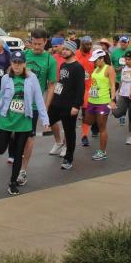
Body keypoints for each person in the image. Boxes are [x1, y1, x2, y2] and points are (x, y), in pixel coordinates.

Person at [0, 52, 49, 194]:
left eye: (19, 62)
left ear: (24, 64)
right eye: (14, 62)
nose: (16, 65)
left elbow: (39, 99)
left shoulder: (32, 78)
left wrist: (45, 118)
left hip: (24, 121)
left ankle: (12, 182)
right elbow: (1, 100)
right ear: (11, 63)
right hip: (6, 119)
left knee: (18, 154)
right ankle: (11, 138)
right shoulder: (6, 78)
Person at [18, 29, 57, 185]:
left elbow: (51, 85)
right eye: (34, 43)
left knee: (29, 137)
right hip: (17, 102)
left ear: (45, 42)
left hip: (33, 105)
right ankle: (15, 156)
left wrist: (45, 108)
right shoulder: (24, 55)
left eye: (40, 44)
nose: (36, 47)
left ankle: (23, 170)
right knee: (13, 134)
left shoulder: (50, 60)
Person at [47, 40, 85, 170]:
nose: (64, 51)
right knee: (47, 121)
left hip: (69, 106)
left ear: (73, 52)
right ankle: (58, 142)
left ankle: (68, 158)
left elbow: (81, 88)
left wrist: (76, 106)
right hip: (57, 103)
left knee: (69, 133)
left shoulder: (78, 67)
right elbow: (60, 84)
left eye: (67, 50)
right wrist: (52, 101)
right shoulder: (63, 65)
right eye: (63, 49)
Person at [85, 48, 117, 161]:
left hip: (103, 102)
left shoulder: (109, 68)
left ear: (102, 58)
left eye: (95, 60)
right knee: (87, 121)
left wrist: (112, 99)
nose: (94, 62)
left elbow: (113, 85)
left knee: (102, 127)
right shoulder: (96, 69)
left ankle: (102, 151)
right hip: (92, 101)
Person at [111, 50, 131, 145]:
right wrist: (118, 91)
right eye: (125, 59)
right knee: (116, 113)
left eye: (129, 59)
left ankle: (130, 136)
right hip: (123, 94)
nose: (126, 61)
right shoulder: (124, 68)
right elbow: (122, 80)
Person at [75, 36, 95, 146]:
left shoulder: (93, 56)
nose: (88, 46)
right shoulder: (75, 54)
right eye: (86, 44)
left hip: (88, 88)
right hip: (75, 88)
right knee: (71, 114)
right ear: (81, 44)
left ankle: (84, 135)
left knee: (85, 113)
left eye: (90, 44)